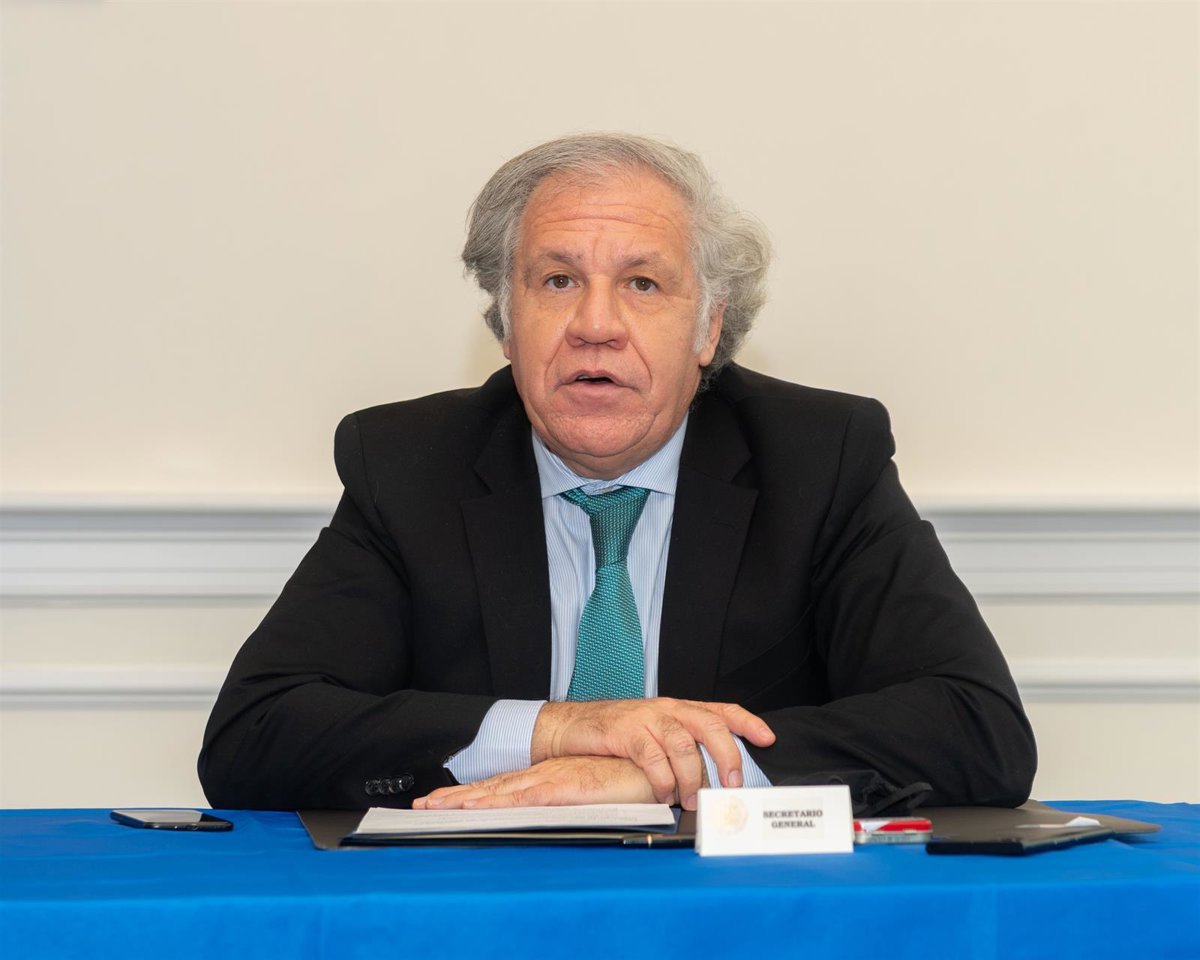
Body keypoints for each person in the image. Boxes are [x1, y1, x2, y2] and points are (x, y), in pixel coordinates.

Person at [198, 133, 1036, 813]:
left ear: (709, 328)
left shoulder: (819, 458)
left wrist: (657, 772)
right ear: (506, 323)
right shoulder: (410, 464)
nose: (595, 324)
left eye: (642, 283)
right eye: (558, 280)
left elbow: (976, 729)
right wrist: (558, 731)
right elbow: (256, 734)